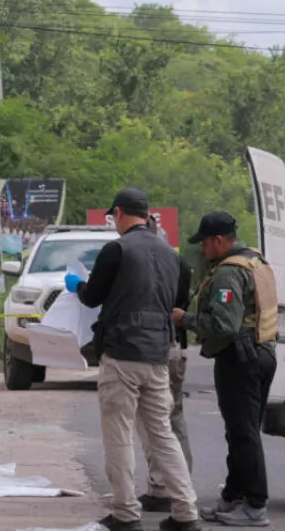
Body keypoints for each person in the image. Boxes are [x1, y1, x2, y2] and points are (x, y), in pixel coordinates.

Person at [66, 188, 201, 531]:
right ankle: (186, 513)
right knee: (162, 434)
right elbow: (177, 302)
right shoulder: (173, 257)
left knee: (119, 433)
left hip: (123, 353)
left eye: (114, 217)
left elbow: (93, 297)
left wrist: (78, 286)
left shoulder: (117, 249)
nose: (114, 222)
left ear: (121, 214)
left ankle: (126, 513)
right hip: (159, 355)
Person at [174, 212, 280, 527]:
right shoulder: (256, 261)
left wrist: (185, 319)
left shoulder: (228, 273)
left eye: (205, 243)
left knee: (244, 434)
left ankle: (255, 506)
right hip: (262, 353)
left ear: (219, 240)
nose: (203, 250)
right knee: (239, 431)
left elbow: (224, 326)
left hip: (240, 359)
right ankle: (233, 497)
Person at [138, 218, 195, 514]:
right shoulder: (180, 263)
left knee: (153, 421)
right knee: (175, 417)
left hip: (150, 347)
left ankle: (161, 488)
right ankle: (182, 483)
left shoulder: (137, 262)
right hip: (176, 346)